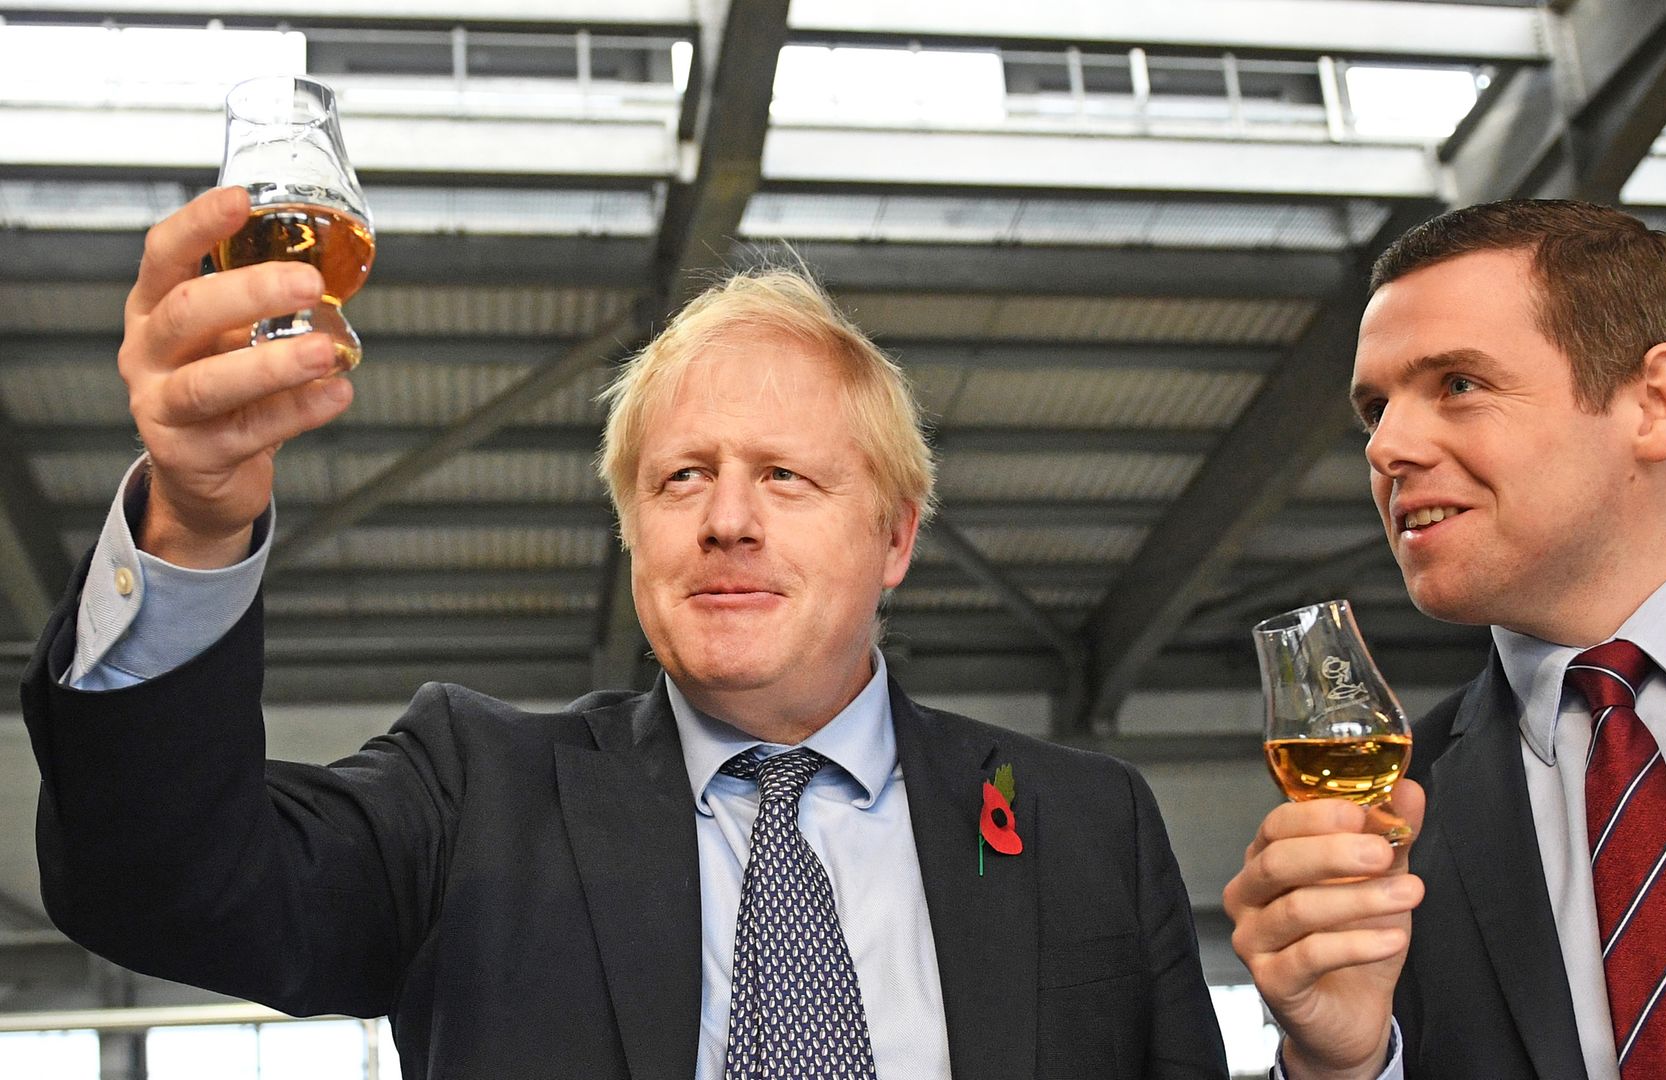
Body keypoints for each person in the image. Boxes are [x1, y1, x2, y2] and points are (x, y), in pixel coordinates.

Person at [23, 186, 1229, 1080]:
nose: (729, 522)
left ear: (898, 539)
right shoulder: (471, 794)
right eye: (682, 479)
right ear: (632, 532)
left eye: (788, 479)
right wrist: (191, 517)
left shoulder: (1086, 825)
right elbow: (162, 886)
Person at [1223, 200, 1666, 1080]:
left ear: (1654, 403)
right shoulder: (1393, 821)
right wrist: (1337, 1064)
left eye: (1458, 384)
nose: (1388, 446)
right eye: (1375, 408)